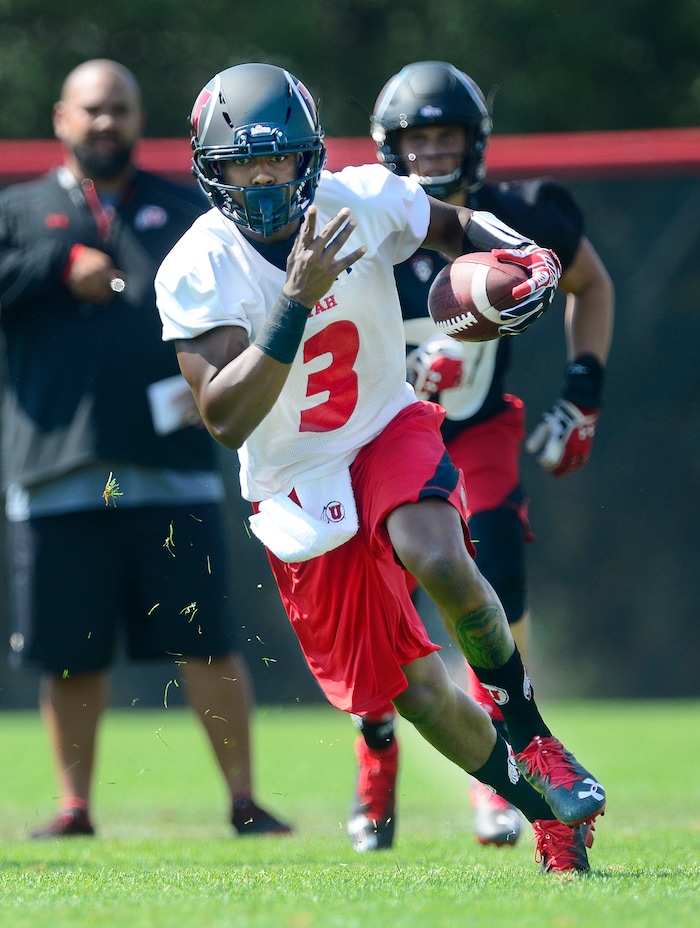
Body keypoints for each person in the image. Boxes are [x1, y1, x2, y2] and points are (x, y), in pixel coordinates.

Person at [154, 62, 607, 874]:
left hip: (381, 425)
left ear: (311, 156)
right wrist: (295, 302)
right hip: (296, 485)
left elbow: (453, 223)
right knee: (415, 694)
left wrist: (521, 257)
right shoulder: (198, 267)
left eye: (280, 159)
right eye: (243, 165)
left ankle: (536, 741)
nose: (264, 180)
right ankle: (545, 810)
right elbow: (225, 417)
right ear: (210, 172)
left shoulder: (357, 197)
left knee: (437, 552)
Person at [0, 59, 291, 839]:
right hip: (57, 469)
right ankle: (74, 808)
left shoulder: (191, 208)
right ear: (61, 118)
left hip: (173, 471)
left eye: (120, 109)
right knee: (70, 654)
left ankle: (243, 799)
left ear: (139, 118)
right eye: (91, 110)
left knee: (206, 640)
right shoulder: (19, 212)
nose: (106, 123)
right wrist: (56, 266)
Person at [344, 60, 614, 852]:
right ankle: (376, 753)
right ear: (390, 148)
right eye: (417, 138)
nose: (432, 152)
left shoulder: (514, 216)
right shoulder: (362, 226)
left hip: (476, 431)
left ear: (476, 142)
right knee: (375, 601)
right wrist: (398, 376)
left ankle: (503, 769)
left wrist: (583, 391)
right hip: (376, 429)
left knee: (493, 574)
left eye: (446, 135)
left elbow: (589, 283)